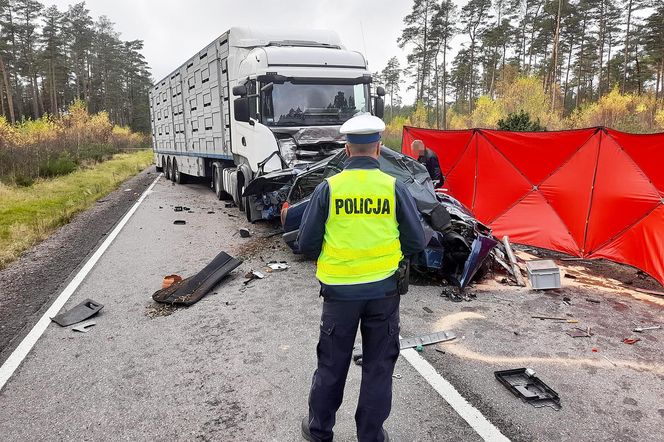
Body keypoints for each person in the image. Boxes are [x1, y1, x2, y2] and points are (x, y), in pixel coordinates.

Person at [296, 114, 426, 442]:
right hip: (383, 294)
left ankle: (319, 431)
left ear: (346, 149)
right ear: (379, 149)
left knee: (331, 365)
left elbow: (306, 243)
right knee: (378, 368)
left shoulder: (329, 188)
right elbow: (416, 241)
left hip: (339, 295)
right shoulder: (394, 187)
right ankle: (370, 436)